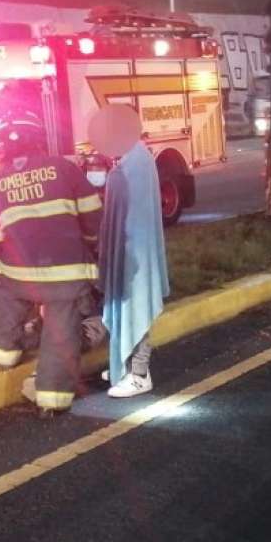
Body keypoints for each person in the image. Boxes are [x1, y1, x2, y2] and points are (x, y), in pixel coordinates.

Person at [0, 110, 102, 417]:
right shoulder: (64, 169)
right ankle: (52, 398)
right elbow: (92, 216)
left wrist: (3, 258)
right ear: (38, 138)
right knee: (62, 327)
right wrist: (89, 244)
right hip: (66, 274)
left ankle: (2, 352)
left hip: (18, 276)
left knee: (6, 296)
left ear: (4, 144)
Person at [88, 104, 169, 398]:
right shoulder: (128, 157)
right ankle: (122, 366)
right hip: (128, 248)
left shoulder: (136, 160)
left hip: (135, 252)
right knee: (123, 306)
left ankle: (139, 374)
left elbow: (134, 214)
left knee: (135, 307)